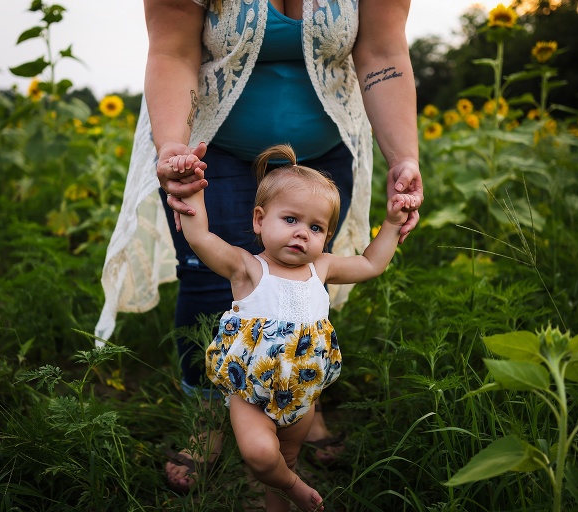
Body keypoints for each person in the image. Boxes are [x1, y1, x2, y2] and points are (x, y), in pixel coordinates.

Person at [95, 0, 423, 494]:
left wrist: (404, 160)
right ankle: (209, 413)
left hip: (327, 147)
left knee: (306, 279)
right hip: (212, 146)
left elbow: (382, 52)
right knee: (210, 281)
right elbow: (172, 51)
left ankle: (300, 402)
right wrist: (173, 150)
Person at [173, 143, 417, 512]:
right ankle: (295, 487)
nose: (302, 233)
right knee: (259, 454)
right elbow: (201, 238)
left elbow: (370, 264)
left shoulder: (323, 269)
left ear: (326, 237)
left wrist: (393, 224)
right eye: (290, 220)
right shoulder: (248, 268)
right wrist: (192, 192)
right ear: (259, 220)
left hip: (303, 390)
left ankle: (284, 494)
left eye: (315, 227)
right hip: (251, 390)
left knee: (286, 457)